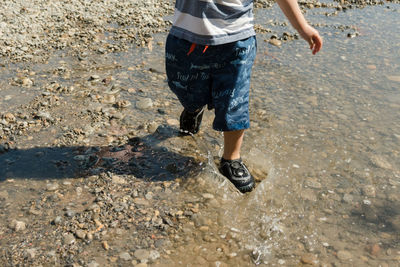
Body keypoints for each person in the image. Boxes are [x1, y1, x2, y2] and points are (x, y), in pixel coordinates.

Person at [165, 0, 322, 193]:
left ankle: (231, 158)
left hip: (236, 40)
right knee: (185, 88)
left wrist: (302, 26)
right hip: (187, 36)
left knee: (234, 101)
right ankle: (194, 107)